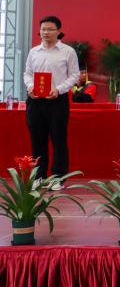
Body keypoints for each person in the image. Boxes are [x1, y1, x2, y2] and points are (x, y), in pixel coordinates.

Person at [23, 15, 79, 190]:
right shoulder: (34, 51)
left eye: (49, 29)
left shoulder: (68, 51)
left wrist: (59, 89)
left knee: (58, 139)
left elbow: (74, 75)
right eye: (43, 29)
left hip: (57, 101)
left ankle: (58, 177)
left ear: (58, 31)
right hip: (35, 101)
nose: (45, 32)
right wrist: (30, 86)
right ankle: (39, 176)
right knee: (37, 140)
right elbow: (27, 73)